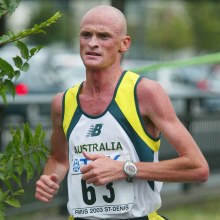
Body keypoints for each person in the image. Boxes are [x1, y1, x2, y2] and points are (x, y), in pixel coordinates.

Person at [35, 5, 209, 220]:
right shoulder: (62, 103)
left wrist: (124, 169)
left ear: (124, 44)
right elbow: (59, 160)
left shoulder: (145, 92)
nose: (92, 43)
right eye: (86, 34)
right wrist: (48, 179)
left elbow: (198, 168)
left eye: (104, 36)